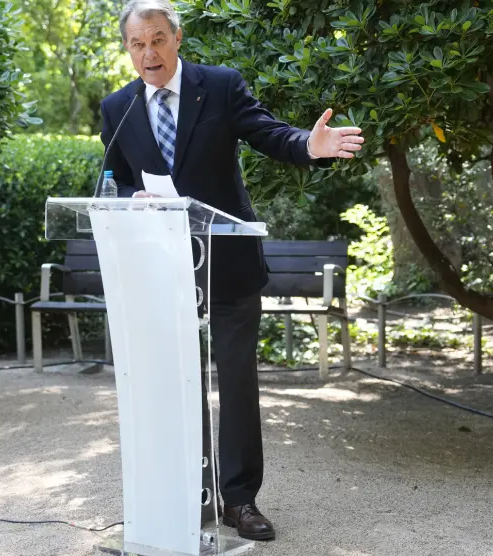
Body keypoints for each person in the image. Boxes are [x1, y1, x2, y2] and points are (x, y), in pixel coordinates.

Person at [99, 0, 364, 542]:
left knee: (237, 386)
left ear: (177, 39)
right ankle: (185, 494)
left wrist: (309, 147)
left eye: (156, 39)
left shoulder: (218, 86)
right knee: (177, 388)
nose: (148, 53)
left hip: (228, 267)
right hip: (162, 273)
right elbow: (113, 181)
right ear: (127, 49)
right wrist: (134, 196)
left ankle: (239, 501)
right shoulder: (117, 107)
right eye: (136, 44)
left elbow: (270, 134)